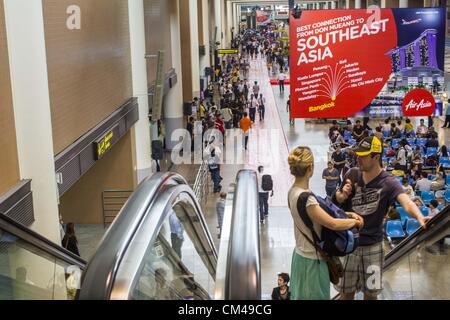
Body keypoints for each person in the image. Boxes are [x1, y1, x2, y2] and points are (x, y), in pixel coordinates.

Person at [332, 136, 430, 300]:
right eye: (358, 154)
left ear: (376, 157)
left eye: (363, 155)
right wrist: (340, 197)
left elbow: (406, 202)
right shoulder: (353, 173)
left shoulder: (389, 182)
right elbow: (335, 202)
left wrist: (420, 217)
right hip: (349, 246)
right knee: (346, 293)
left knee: (371, 294)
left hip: (373, 249)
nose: (358, 158)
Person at [287, 146, 363, 300]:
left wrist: (346, 213)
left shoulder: (292, 191)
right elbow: (333, 223)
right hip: (312, 261)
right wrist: (354, 223)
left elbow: (322, 212)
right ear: (310, 168)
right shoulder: (308, 199)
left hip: (299, 256)